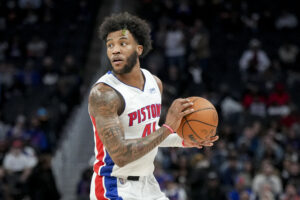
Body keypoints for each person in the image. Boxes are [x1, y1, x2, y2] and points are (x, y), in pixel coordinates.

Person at [88, 12, 219, 200]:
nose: (115, 50)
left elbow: (148, 134)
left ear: (139, 49)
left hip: (148, 184)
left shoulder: (153, 83)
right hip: (114, 187)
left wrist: (182, 140)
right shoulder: (104, 94)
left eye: (122, 43)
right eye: (110, 45)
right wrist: (168, 128)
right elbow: (121, 155)